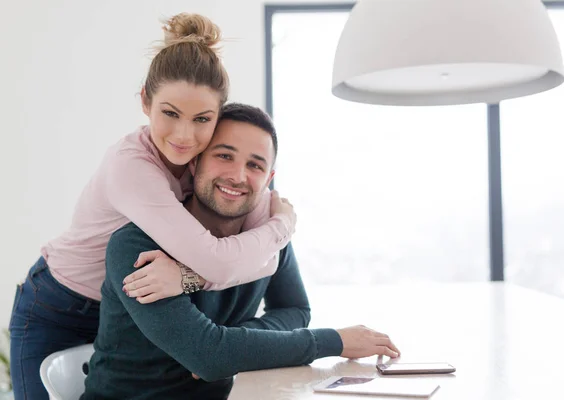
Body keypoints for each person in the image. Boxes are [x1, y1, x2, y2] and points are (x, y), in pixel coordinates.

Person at [9, 13, 296, 400]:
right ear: (145, 101)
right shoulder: (132, 168)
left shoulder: (207, 172)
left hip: (125, 304)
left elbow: (268, 263)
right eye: (170, 113)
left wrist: (190, 275)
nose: (184, 135)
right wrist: (282, 227)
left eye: (202, 119)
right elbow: (224, 262)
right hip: (58, 306)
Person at [82, 103, 400, 400]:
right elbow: (208, 357)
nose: (237, 176)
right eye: (224, 156)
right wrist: (336, 341)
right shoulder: (136, 246)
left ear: (269, 179)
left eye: (255, 165)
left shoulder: (267, 238)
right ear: (195, 162)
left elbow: (295, 309)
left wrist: (234, 339)